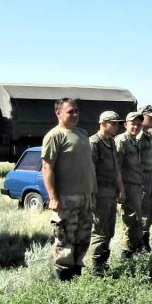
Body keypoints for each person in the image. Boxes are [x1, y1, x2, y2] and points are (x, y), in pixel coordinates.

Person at [41, 98, 96, 281]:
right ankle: (65, 286)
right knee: (65, 242)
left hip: (85, 199)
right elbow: (47, 168)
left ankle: (77, 280)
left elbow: (88, 166)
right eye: (70, 111)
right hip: (66, 200)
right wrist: (53, 197)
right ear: (58, 113)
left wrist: (92, 192)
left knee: (82, 241)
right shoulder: (54, 136)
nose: (75, 115)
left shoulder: (81, 134)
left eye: (77, 111)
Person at [89, 111, 125, 274]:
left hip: (111, 191)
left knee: (109, 229)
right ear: (103, 123)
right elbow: (90, 172)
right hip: (100, 192)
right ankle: (97, 266)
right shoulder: (94, 142)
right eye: (114, 123)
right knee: (100, 229)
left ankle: (103, 263)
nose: (117, 126)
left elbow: (117, 169)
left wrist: (121, 189)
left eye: (118, 123)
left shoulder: (111, 142)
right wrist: (92, 195)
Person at [116, 111, 145, 257]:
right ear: (125, 124)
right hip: (127, 187)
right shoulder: (121, 141)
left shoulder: (135, 141)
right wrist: (121, 190)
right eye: (133, 124)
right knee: (129, 221)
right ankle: (126, 255)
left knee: (137, 222)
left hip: (136, 186)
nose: (136, 127)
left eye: (139, 124)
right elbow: (117, 168)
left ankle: (135, 251)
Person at [137, 104, 152, 251]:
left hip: (150, 174)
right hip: (142, 176)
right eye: (150, 118)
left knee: (150, 209)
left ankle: (145, 240)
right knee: (144, 210)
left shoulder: (148, 135)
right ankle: (140, 243)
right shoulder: (138, 136)